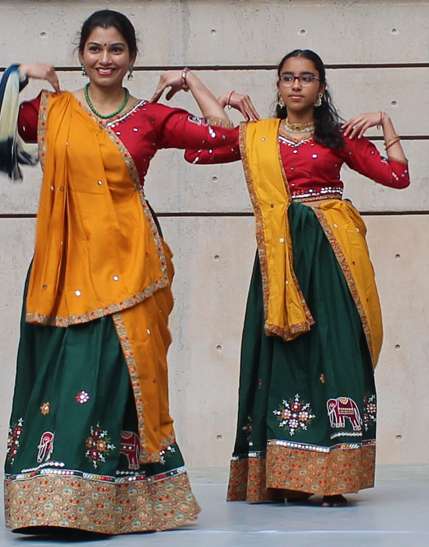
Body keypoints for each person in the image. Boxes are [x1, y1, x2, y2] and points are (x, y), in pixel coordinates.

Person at [0, 9, 238, 535]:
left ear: (131, 57)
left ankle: (115, 501)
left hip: (130, 264)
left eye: (116, 50)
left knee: (113, 373)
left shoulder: (150, 117)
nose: (104, 59)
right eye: (94, 49)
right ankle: (53, 501)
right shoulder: (52, 109)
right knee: (61, 373)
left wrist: (193, 82)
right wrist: (19, 74)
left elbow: (227, 141)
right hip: (62, 268)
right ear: (81, 54)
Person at [185, 49, 409, 507]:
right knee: (282, 357)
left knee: (335, 353)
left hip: (331, 257)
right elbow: (195, 151)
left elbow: (398, 177)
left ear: (321, 88)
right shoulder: (257, 137)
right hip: (280, 261)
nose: (295, 86)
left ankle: (331, 476)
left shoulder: (336, 139)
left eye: (306, 78)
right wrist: (221, 100)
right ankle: (281, 476)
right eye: (287, 78)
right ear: (278, 86)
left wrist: (385, 122)